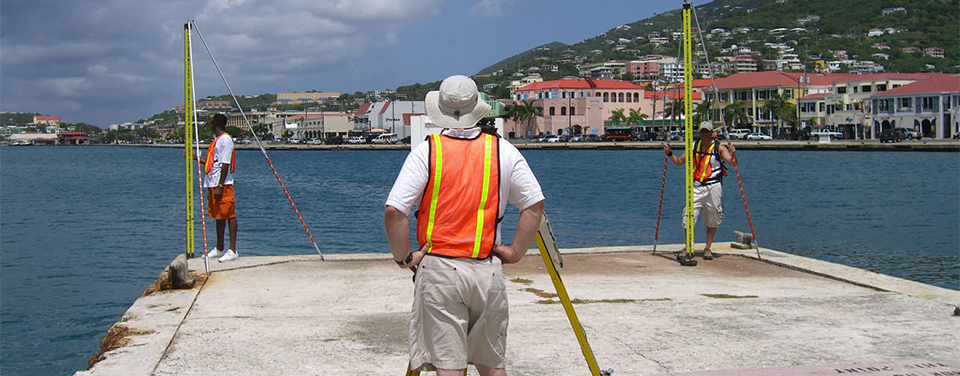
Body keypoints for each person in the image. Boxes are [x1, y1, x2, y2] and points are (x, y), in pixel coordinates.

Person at [384, 75, 545, 376]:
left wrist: (405, 258)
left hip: (440, 271)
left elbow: (395, 211)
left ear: (441, 111)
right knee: (492, 366)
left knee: (449, 368)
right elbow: (533, 204)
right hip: (486, 270)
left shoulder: (428, 151)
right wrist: (515, 251)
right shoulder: (503, 151)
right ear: (478, 109)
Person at [662, 125, 737, 261]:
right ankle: (688, 246)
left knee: (712, 216)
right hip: (696, 186)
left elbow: (733, 162)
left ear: (711, 133)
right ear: (699, 133)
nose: (704, 135)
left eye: (707, 132)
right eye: (702, 132)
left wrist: (733, 153)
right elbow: (679, 162)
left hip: (713, 186)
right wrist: (670, 154)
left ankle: (707, 248)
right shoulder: (693, 146)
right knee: (689, 216)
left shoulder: (718, 147)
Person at [199, 113, 239, 262]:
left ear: (216, 124)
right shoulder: (217, 141)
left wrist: (221, 185)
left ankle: (233, 250)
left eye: (212, 122)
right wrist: (197, 158)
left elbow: (225, 163)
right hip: (213, 183)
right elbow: (213, 164)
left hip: (223, 184)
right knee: (219, 216)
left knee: (229, 214)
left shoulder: (225, 140)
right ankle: (219, 247)